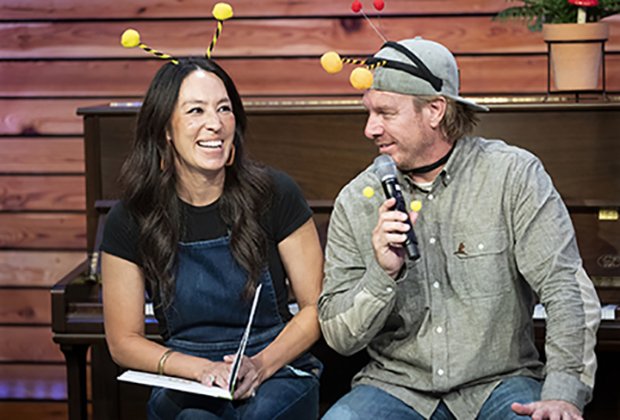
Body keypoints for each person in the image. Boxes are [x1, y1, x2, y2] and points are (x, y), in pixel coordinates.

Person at [318, 37, 601, 420]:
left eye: (386, 113)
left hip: (501, 383)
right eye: (368, 112)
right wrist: (380, 275)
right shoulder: (357, 199)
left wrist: (564, 393)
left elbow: (565, 288)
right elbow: (338, 336)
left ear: (435, 110)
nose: (370, 129)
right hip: (396, 388)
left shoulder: (512, 175)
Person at [101, 57, 323, 419]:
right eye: (196, 111)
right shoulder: (130, 217)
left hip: (275, 363)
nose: (215, 124)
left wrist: (260, 365)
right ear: (165, 130)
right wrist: (201, 370)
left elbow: (316, 308)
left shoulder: (275, 194)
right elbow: (123, 342)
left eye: (224, 109)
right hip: (185, 371)